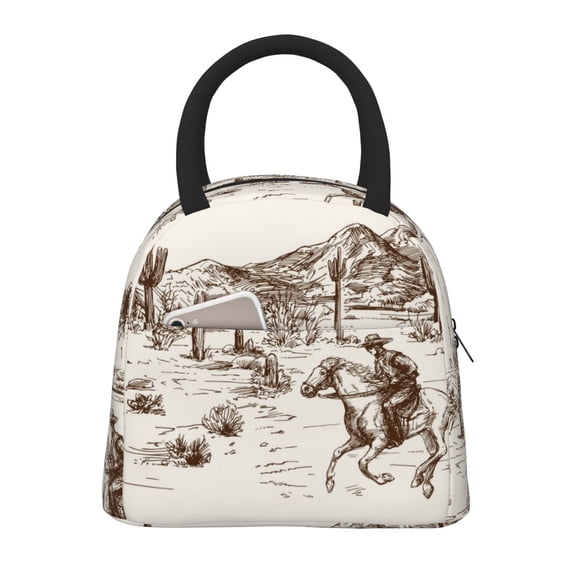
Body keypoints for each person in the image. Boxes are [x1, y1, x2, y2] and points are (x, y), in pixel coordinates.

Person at [360, 334, 420, 448]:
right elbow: (382, 378)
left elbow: (412, 368)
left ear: (378, 346)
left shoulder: (394, 356)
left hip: (406, 386)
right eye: (367, 348)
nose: (368, 350)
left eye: (370, 347)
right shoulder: (377, 361)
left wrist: (398, 378)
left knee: (388, 406)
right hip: (393, 388)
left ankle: (396, 438)